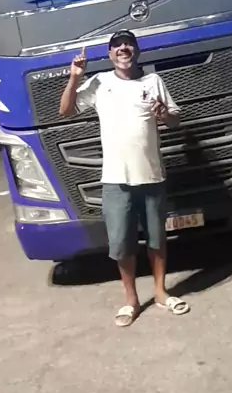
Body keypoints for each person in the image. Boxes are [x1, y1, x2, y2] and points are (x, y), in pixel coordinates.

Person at [59, 29, 190, 327]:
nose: (123, 48)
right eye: (116, 45)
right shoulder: (99, 83)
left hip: (152, 176)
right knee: (121, 244)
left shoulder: (153, 82)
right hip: (116, 180)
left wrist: (164, 114)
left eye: (128, 44)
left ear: (137, 51)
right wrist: (75, 77)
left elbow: (175, 120)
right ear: (109, 54)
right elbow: (65, 110)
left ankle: (160, 293)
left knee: (157, 240)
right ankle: (131, 300)